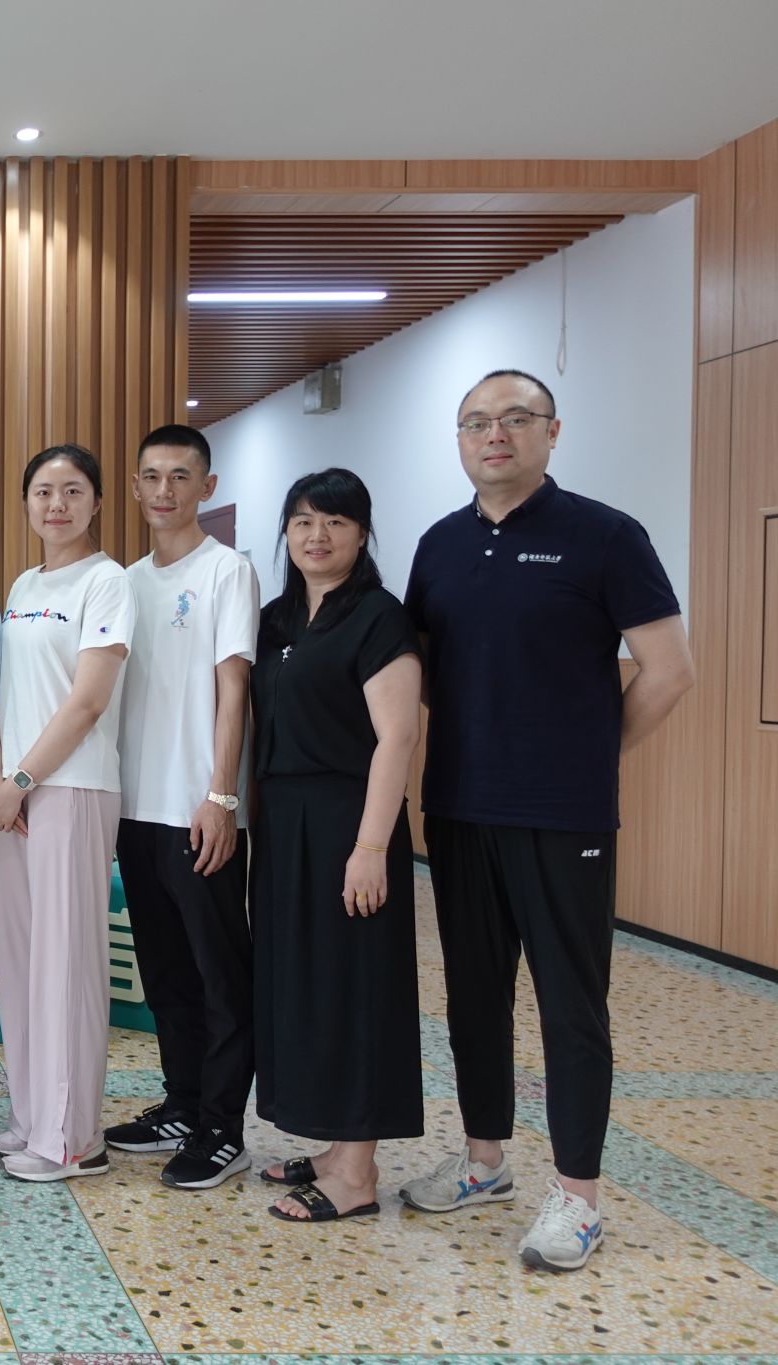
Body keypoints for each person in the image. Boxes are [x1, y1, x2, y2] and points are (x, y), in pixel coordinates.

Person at [402, 369, 693, 1271]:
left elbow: (669, 668)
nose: (495, 434)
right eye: (476, 422)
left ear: (551, 432)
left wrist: (589, 756)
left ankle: (578, 1196)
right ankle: (483, 1159)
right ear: (459, 440)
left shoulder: (606, 535)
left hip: (564, 816)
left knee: (571, 1004)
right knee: (473, 997)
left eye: (515, 418)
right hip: (458, 808)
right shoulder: (440, 545)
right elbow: (422, 677)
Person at [249, 469, 424, 1224]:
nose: (317, 536)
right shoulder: (277, 619)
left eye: (336, 522)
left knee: (357, 986)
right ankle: (333, 1149)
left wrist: (371, 846)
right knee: (305, 983)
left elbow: (398, 736)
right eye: (302, 521)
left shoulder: (379, 617)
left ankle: (357, 1173)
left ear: (362, 532)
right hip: (284, 821)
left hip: (350, 820)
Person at [106, 424, 261, 1191]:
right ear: (135, 486)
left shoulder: (227, 571)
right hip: (136, 809)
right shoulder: (125, 582)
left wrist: (221, 794)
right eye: (152, 475)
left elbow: (235, 688)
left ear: (207, 485)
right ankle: (182, 1102)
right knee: (164, 969)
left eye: (180, 475)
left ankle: (223, 1126)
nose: (164, 489)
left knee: (218, 974)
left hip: (199, 809)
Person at [0, 444, 134, 1183]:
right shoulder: (24, 584)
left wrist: (20, 778)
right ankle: (32, 1118)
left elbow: (88, 700)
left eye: (73, 490)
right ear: (26, 503)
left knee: (66, 964)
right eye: (43, 491)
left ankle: (73, 1140)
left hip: (70, 788)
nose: (57, 504)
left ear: (97, 501)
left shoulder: (107, 581)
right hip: (18, 795)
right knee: (22, 962)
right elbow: (9, 693)